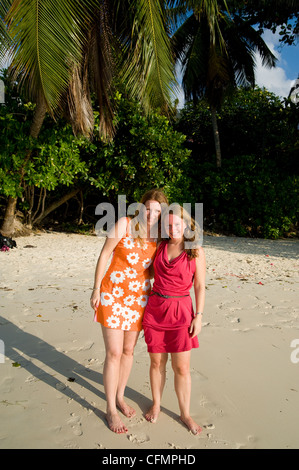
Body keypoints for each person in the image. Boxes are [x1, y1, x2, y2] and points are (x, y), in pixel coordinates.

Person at [90, 189, 168, 434]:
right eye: (149, 208)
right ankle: (110, 408)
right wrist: (95, 289)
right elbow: (104, 254)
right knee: (113, 352)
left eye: (158, 211)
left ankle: (121, 397)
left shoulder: (159, 236)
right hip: (112, 293)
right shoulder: (124, 224)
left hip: (139, 298)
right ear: (140, 207)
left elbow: (155, 269)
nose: (152, 214)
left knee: (127, 351)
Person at [142, 205, 205, 435]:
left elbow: (199, 285)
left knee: (182, 367)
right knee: (157, 363)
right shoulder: (160, 246)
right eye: (168, 225)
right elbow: (144, 270)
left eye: (177, 224)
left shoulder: (194, 249)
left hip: (181, 313)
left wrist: (199, 315)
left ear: (187, 225)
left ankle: (184, 413)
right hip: (156, 310)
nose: (173, 228)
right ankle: (156, 404)